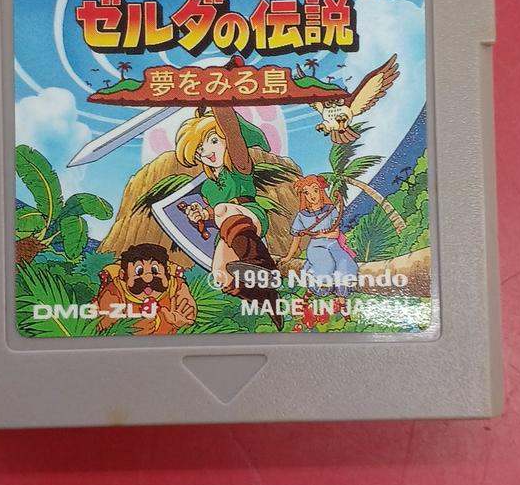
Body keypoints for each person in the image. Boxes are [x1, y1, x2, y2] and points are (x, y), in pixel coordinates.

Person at [174, 105, 282, 327]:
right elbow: (214, 213)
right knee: (221, 276)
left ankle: (262, 265)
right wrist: (200, 214)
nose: (207, 152)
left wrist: (218, 101)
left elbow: (232, 130)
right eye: (199, 150)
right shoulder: (208, 188)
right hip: (229, 230)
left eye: (213, 141)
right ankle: (268, 299)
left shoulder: (237, 165)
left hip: (250, 214)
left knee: (223, 210)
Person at [94, 242, 196, 335]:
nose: (148, 278)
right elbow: (106, 326)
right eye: (139, 272)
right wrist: (130, 329)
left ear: (167, 271)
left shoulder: (176, 286)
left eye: (155, 271)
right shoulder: (115, 291)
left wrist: (181, 323)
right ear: (123, 275)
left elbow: (189, 313)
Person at [281, 175, 359, 290]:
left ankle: (341, 294)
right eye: (307, 192)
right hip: (316, 246)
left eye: (315, 190)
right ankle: (316, 284)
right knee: (327, 264)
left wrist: (324, 235)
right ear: (303, 195)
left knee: (345, 263)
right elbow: (296, 239)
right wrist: (288, 257)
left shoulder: (330, 210)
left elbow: (336, 234)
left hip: (333, 245)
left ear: (321, 191)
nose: (312, 195)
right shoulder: (302, 215)